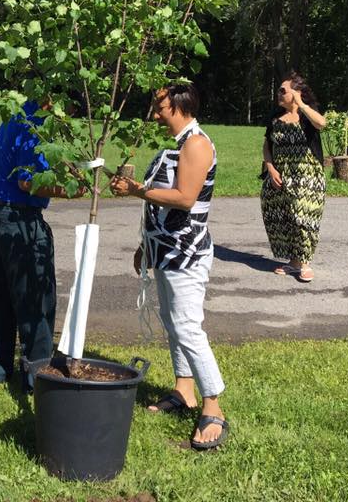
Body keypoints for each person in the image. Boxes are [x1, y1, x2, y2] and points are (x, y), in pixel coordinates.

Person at [110, 83, 228, 451]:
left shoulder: (196, 144)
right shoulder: (178, 143)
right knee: (171, 321)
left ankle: (214, 407)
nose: (155, 111)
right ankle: (184, 390)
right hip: (164, 251)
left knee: (188, 327)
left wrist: (134, 190)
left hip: (186, 253)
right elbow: (160, 206)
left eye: (159, 105)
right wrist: (145, 246)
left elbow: (184, 197)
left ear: (177, 104)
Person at [0, 100, 79, 393]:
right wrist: (69, 191)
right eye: (69, 110)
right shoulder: (34, 125)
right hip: (20, 219)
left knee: (1, 296)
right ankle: (38, 378)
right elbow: (28, 181)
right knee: (35, 298)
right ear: (56, 101)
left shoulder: (15, 114)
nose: (68, 116)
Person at [261, 71, 327, 283]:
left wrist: (302, 104)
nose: (278, 95)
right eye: (278, 91)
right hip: (280, 175)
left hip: (308, 175)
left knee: (303, 218)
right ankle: (294, 261)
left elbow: (322, 124)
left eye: (283, 91)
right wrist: (270, 168)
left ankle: (305, 262)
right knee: (283, 217)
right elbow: (266, 146)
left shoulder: (308, 116)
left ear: (297, 93)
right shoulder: (275, 117)